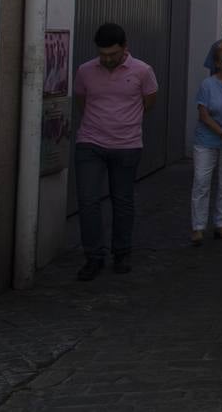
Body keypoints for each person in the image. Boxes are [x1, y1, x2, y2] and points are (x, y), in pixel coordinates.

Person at [72, 23, 158, 281]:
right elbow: (82, 102)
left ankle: (121, 252)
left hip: (127, 146)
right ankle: (93, 256)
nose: (107, 59)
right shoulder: (85, 71)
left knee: (122, 201)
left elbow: (148, 103)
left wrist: (124, 123)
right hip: (90, 143)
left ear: (125, 48)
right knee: (88, 201)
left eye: (113, 54)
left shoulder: (143, 71)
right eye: (103, 54)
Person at [190, 41, 222, 246]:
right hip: (208, 139)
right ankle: (198, 227)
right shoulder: (208, 85)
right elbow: (203, 115)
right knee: (202, 182)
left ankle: (221, 223)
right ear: (217, 63)